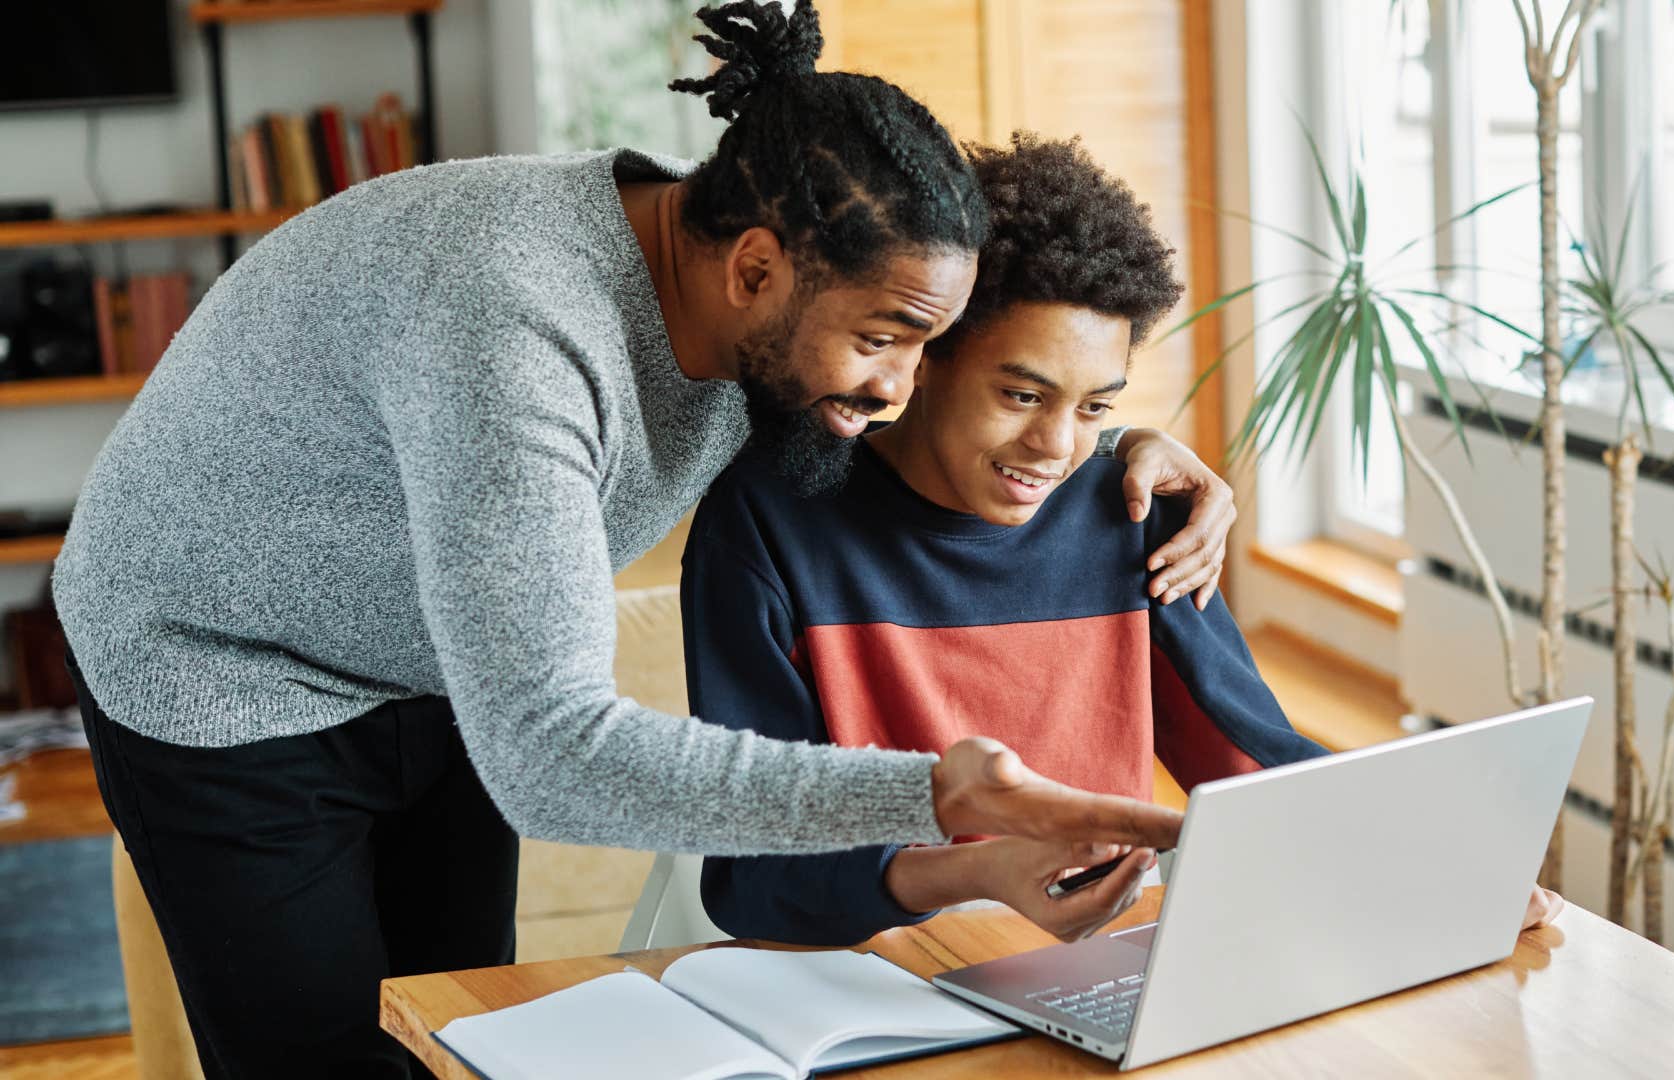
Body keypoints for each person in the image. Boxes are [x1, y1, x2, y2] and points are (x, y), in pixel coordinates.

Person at [49, 4, 1223, 1076]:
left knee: (454, 1026)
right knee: (324, 1063)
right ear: (755, 267)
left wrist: (1131, 459)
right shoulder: (517, 330)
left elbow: (969, 428)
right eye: (888, 341)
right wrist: (935, 795)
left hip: (439, 659)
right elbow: (551, 755)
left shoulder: (771, 281)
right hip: (221, 662)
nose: (903, 389)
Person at [685, 134, 1566, 947]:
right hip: (866, 977)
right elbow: (757, 880)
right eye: (1022, 397)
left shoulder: (1135, 511)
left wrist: (1433, 865)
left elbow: (1252, 764)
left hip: (1091, 976)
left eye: (1096, 408)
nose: (1057, 447)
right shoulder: (769, 525)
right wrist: (977, 872)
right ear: (928, 352)